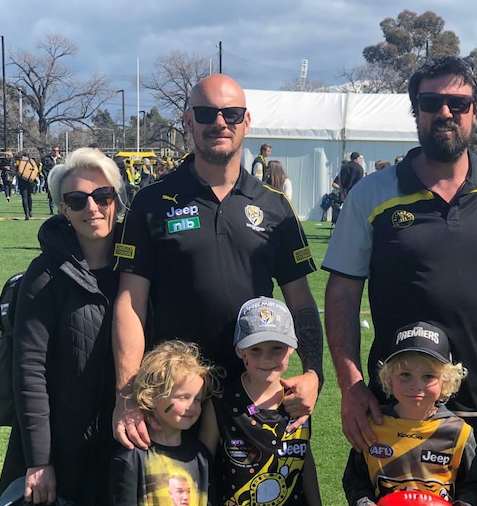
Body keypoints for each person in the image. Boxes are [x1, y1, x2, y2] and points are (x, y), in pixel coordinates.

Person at [323, 55, 477, 506]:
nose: (445, 112)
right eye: (431, 102)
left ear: (475, 110)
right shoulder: (371, 193)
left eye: (458, 102)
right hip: (397, 410)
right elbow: (341, 292)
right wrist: (351, 385)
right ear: (415, 111)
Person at [112, 73, 323, 453]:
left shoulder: (275, 205)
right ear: (189, 121)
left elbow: (302, 301)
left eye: (232, 112)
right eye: (207, 113)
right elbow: (130, 303)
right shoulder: (151, 202)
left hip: (254, 390)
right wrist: (128, 395)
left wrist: (313, 374)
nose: (220, 122)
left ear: (247, 121)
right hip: (174, 395)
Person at [0, 148, 126, 506]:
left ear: (117, 199)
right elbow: (29, 371)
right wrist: (39, 462)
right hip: (66, 455)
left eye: (102, 195)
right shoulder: (44, 275)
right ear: (63, 209)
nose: (92, 207)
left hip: (129, 448)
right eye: (76, 200)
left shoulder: (140, 267)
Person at [199, 297, 349, 506]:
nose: (266, 358)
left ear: (291, 349)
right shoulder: (221, 402)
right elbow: (201, 468)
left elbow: (303, 459)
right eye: (255, 349)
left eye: (276, 348)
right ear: (239, 350)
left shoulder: (299, 401)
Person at [342, 321, 477, 506]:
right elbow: (355, 479)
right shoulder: (372, 427)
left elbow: (475, 483)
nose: (416, 385)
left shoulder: (458, 432)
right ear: (388, 377)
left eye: (428, 376)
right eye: (405, 374)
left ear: (446, 381)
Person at [110, 340, 218, 506]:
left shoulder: (200, 458)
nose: (193, 406)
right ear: (151, 397)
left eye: (198, 399)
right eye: (183, 397)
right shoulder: (131, 457)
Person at [16, 151, 40, 220]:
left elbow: (17, 169)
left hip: (21, 180)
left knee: (24, 197)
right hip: (30, 180)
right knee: (29, 196)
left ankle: (26, 213)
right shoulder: (31, 160)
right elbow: (36, 169)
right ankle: (30, 211)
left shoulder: (19, 161)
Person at [42, 145, 64, 214]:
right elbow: (43, 169)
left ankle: (60, 209)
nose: (56, 152)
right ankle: (51, 209)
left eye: (57, 151)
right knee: (51, 195)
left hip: (60, 179)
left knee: (61, 195)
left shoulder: (61, 159)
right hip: (50, 179)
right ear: (51, 151)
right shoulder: (46, 159)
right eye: (54, 150)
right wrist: (48, 176)